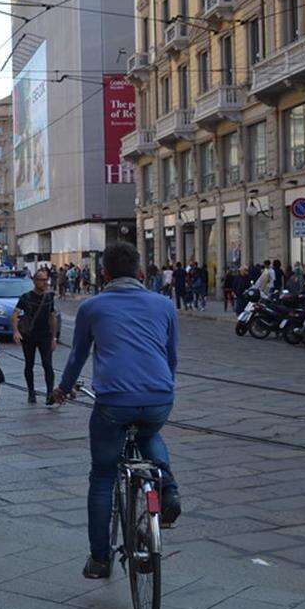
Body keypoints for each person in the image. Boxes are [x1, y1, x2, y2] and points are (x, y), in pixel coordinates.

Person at [52, 241, 182, 581]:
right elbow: (171, 356)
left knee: (102, 476)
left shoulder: (92, 307)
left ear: (104, 273)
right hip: (159, 397)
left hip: (113, 401)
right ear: (140, 272)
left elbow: (77, 356)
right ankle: (168, 489)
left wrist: (63, 388)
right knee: (149, 432)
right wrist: (161, 387)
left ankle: (99, 559)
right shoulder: (164, 304)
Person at [11, 270, 57, 405]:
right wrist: (16, 331)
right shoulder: (26, 297)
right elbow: (15, 314)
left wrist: (54, 338)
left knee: (47, 364)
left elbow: (52, 317)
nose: (45, 282)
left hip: (45, 335)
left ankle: (50, 394)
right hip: (29, 336)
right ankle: (31, 392)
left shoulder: (49, 297)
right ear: (35, 281)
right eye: (41, 280)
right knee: (29, 364)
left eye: (46, 279)